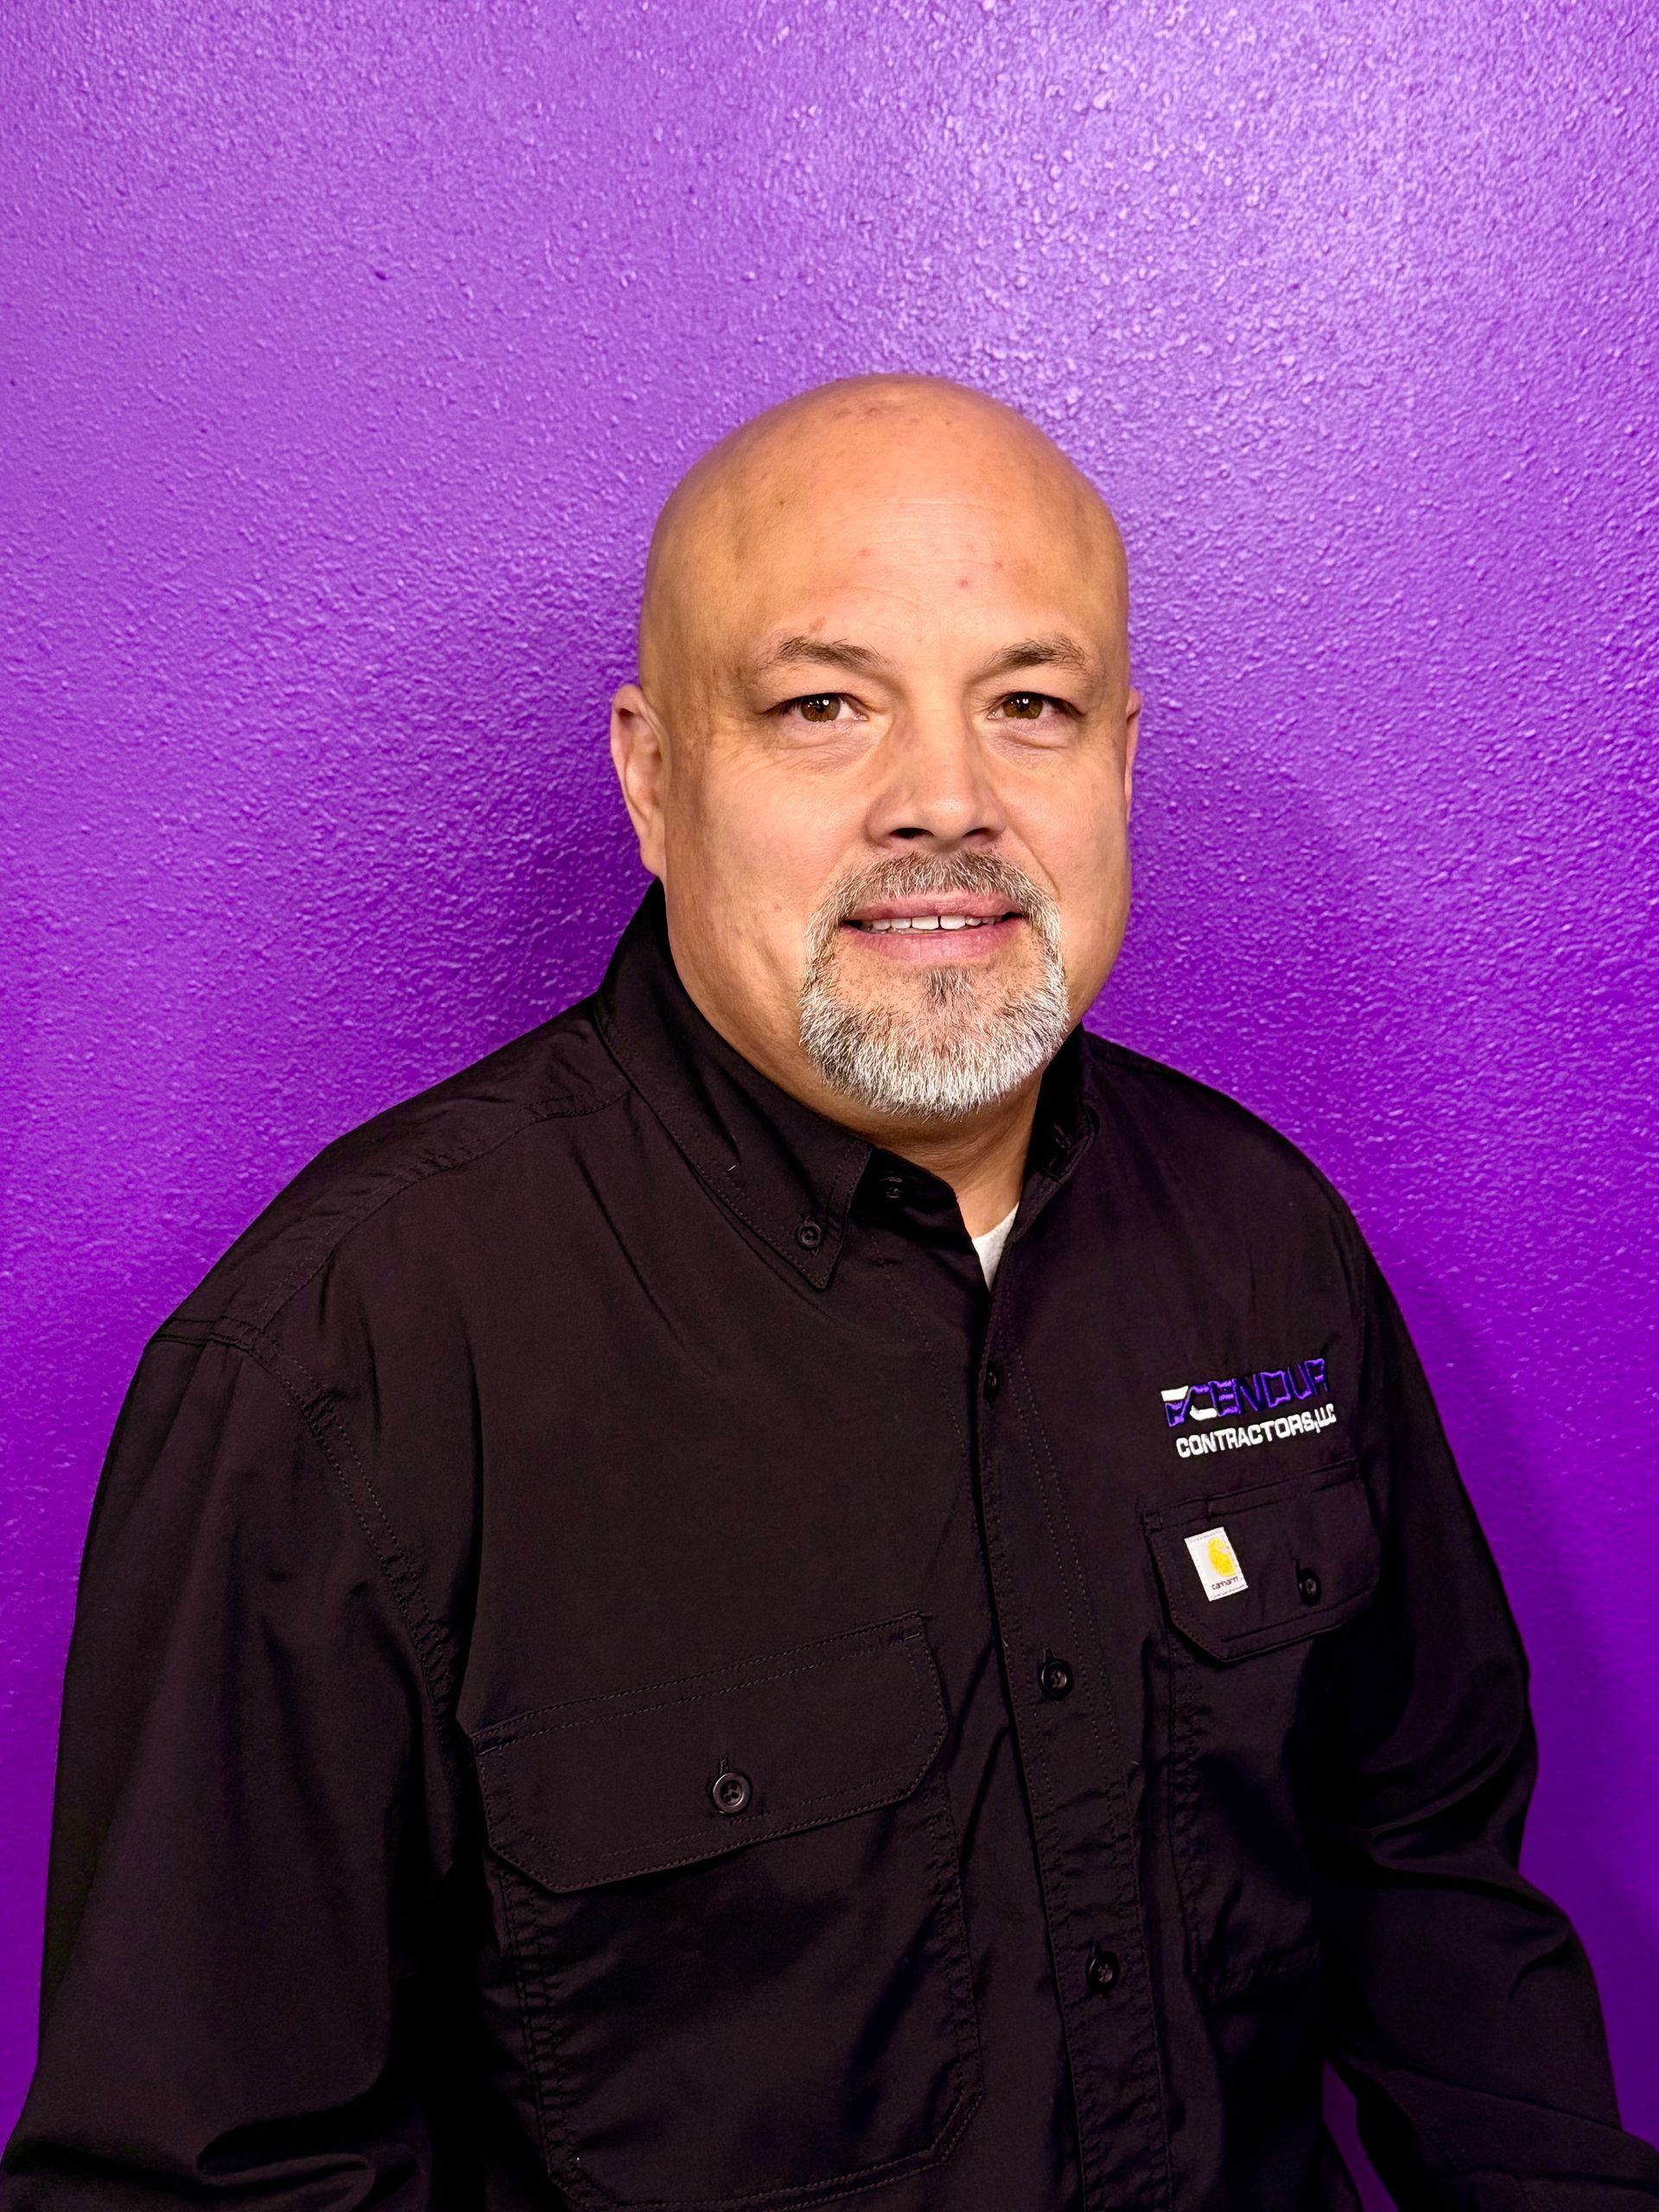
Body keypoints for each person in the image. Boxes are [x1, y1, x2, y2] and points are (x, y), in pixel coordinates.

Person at [3, 375, 1653, 2212]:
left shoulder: (1268, 1242)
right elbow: (208, 2179)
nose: (944, 797)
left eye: (1029, 705)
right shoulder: (345, 1368)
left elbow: (1430, 1885)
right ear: (651, 772)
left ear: (1120, 764)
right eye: (821, 706)